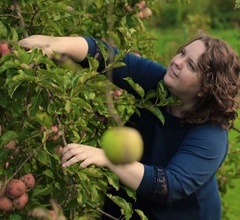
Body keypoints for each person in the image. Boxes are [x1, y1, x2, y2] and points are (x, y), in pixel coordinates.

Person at [18, 33, 240, 220]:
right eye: (182, 53)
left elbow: (168, 185)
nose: (177, 62)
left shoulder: (210, 136)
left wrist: (108, 158)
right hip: (129, 204)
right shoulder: (161, 85)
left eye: (190, 65)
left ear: (205, 88)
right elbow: (107, 56)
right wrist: (56, 43)